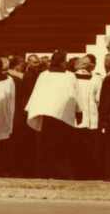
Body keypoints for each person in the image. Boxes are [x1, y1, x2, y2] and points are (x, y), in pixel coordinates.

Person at [26, 50, 79, 180]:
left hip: (47, 114)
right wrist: (78, 111)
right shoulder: (70, 76)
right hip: (62, 116)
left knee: (47, 145)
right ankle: (60, 173)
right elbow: (75, 96)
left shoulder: (44, 75)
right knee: (61, 146)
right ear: (61, 62)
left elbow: (37, 94)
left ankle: (45, 172)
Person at [73, 55, 102, 179]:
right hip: (92, 117)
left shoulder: (71, 77)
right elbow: (99, 99)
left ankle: (77, 172)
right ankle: (90, 172)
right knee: (91, 147)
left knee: (76, 146)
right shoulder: (97, 79)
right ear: (91, 66)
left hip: (75, 116)